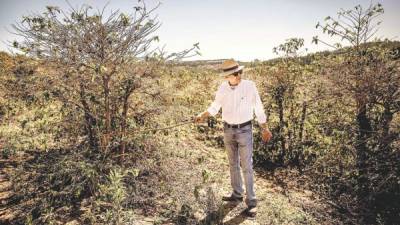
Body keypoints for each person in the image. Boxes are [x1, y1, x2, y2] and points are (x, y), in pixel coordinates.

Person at [195, 59, 272, 217]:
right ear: (227, 77)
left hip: (245, 130)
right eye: (235, 74)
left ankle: (251, 202)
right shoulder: (223, 88)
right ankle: (237, 194)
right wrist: (203, 115)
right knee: (233, 164)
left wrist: (264, 128)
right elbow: (215, 106)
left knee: (247, 166)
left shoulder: (249, 86)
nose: (239, 75)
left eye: (239, 72)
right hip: (228, 130)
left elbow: (258, 107)